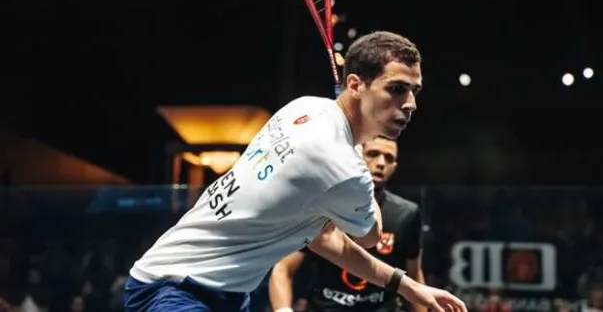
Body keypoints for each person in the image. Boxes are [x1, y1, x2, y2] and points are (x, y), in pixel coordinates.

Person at [123, 31, 467, 312]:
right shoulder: (343, 166)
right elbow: (370, 236)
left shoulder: (304, 107)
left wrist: (408, 287)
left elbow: (325, 239)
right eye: (396, 88)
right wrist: (358, 158)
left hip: (223, 292)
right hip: (175, 288)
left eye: (414, 91)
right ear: (355, 84)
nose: (410, 103)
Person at [268, 136, 426, 312]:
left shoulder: (406, 214)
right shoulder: (323, 208)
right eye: (373, 154)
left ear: (394, 167)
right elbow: (283, 268)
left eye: (389, 158)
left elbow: (414, 278)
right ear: (357, 157)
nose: (381, 163)